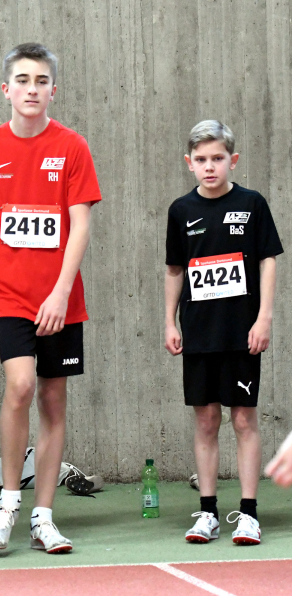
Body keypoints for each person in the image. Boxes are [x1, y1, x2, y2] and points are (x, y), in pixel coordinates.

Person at [0, 42, 101, 554]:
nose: (31, 89)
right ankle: (9, 502)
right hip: (8, 296)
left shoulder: (73, 147)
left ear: (53, 90)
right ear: (6, 89)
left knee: (54, 399)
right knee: (20, 386)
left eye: (41, 81)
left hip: (60, 299)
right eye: (22, 80)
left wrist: (62, 292)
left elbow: (80, 224)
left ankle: (44, 516)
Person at [164, 120, 281, 546]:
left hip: (241, 332)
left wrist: (263, 317)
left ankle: (248, 514)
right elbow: (175, 269)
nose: (209, 167)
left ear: (232, 160)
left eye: (217, 159)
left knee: (244, 418)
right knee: (207, 418)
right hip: (199, 333)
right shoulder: (181, 210)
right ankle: (208, 512)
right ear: (189, 164)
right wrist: (168, 321)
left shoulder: (252, 204)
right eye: (201, 160)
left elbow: (269, 260)